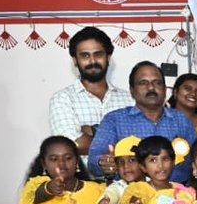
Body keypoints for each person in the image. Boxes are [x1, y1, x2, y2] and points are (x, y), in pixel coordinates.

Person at [89, 61, 197, 183]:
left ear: (165, 89)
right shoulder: (114, 120)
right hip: (128, 192)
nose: (151, 88)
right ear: (132, 90)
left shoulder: (182, 121)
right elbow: (93, 161)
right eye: (143, 83)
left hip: (177, 191)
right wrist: (103, 162)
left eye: (157, 83)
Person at [49, 26, 134, 168]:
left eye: (98, 54)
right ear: (75, 60)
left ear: (108, 57)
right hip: (82, 179)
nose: (92, 61)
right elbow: (71, 145)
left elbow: (139, 143)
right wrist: (122, 141)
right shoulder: (63, 99)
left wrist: (93, 131)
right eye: (85, 56)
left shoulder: (129, 99)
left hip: (125, 179)